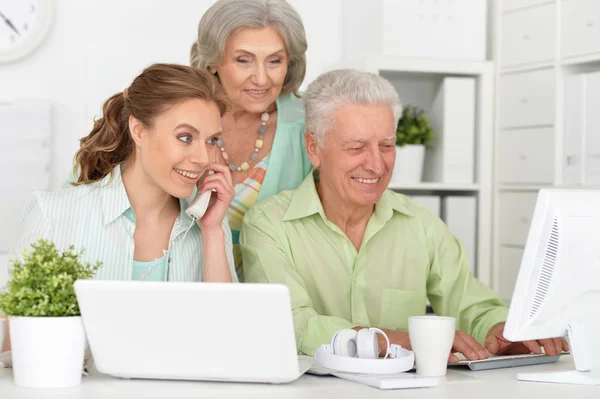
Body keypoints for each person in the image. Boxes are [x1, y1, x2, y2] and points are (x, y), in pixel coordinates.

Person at [240, 69, 569, 360]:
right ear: (314, 148)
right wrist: (389, 341)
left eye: (386, 145)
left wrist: (501, 329)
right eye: (356, 147)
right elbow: (290, 322)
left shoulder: (420, 225)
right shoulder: (269, 225)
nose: (376, 164)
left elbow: (470, 303)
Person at [1, 64, 237, 352]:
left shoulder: (209, 222)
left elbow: (227, 344)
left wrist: (212, 233)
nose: (202, 157)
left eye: (212, 140)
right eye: (185, 137)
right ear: (138, 130)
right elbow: (15, 346)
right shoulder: (53, 216)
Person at [190, 0, 313, 280]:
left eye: (274, 61)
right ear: (212, 61)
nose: (261, 79)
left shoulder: (309, 125)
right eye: (243, 60)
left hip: (280, 302)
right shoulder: (181, 114)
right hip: (184, 293)